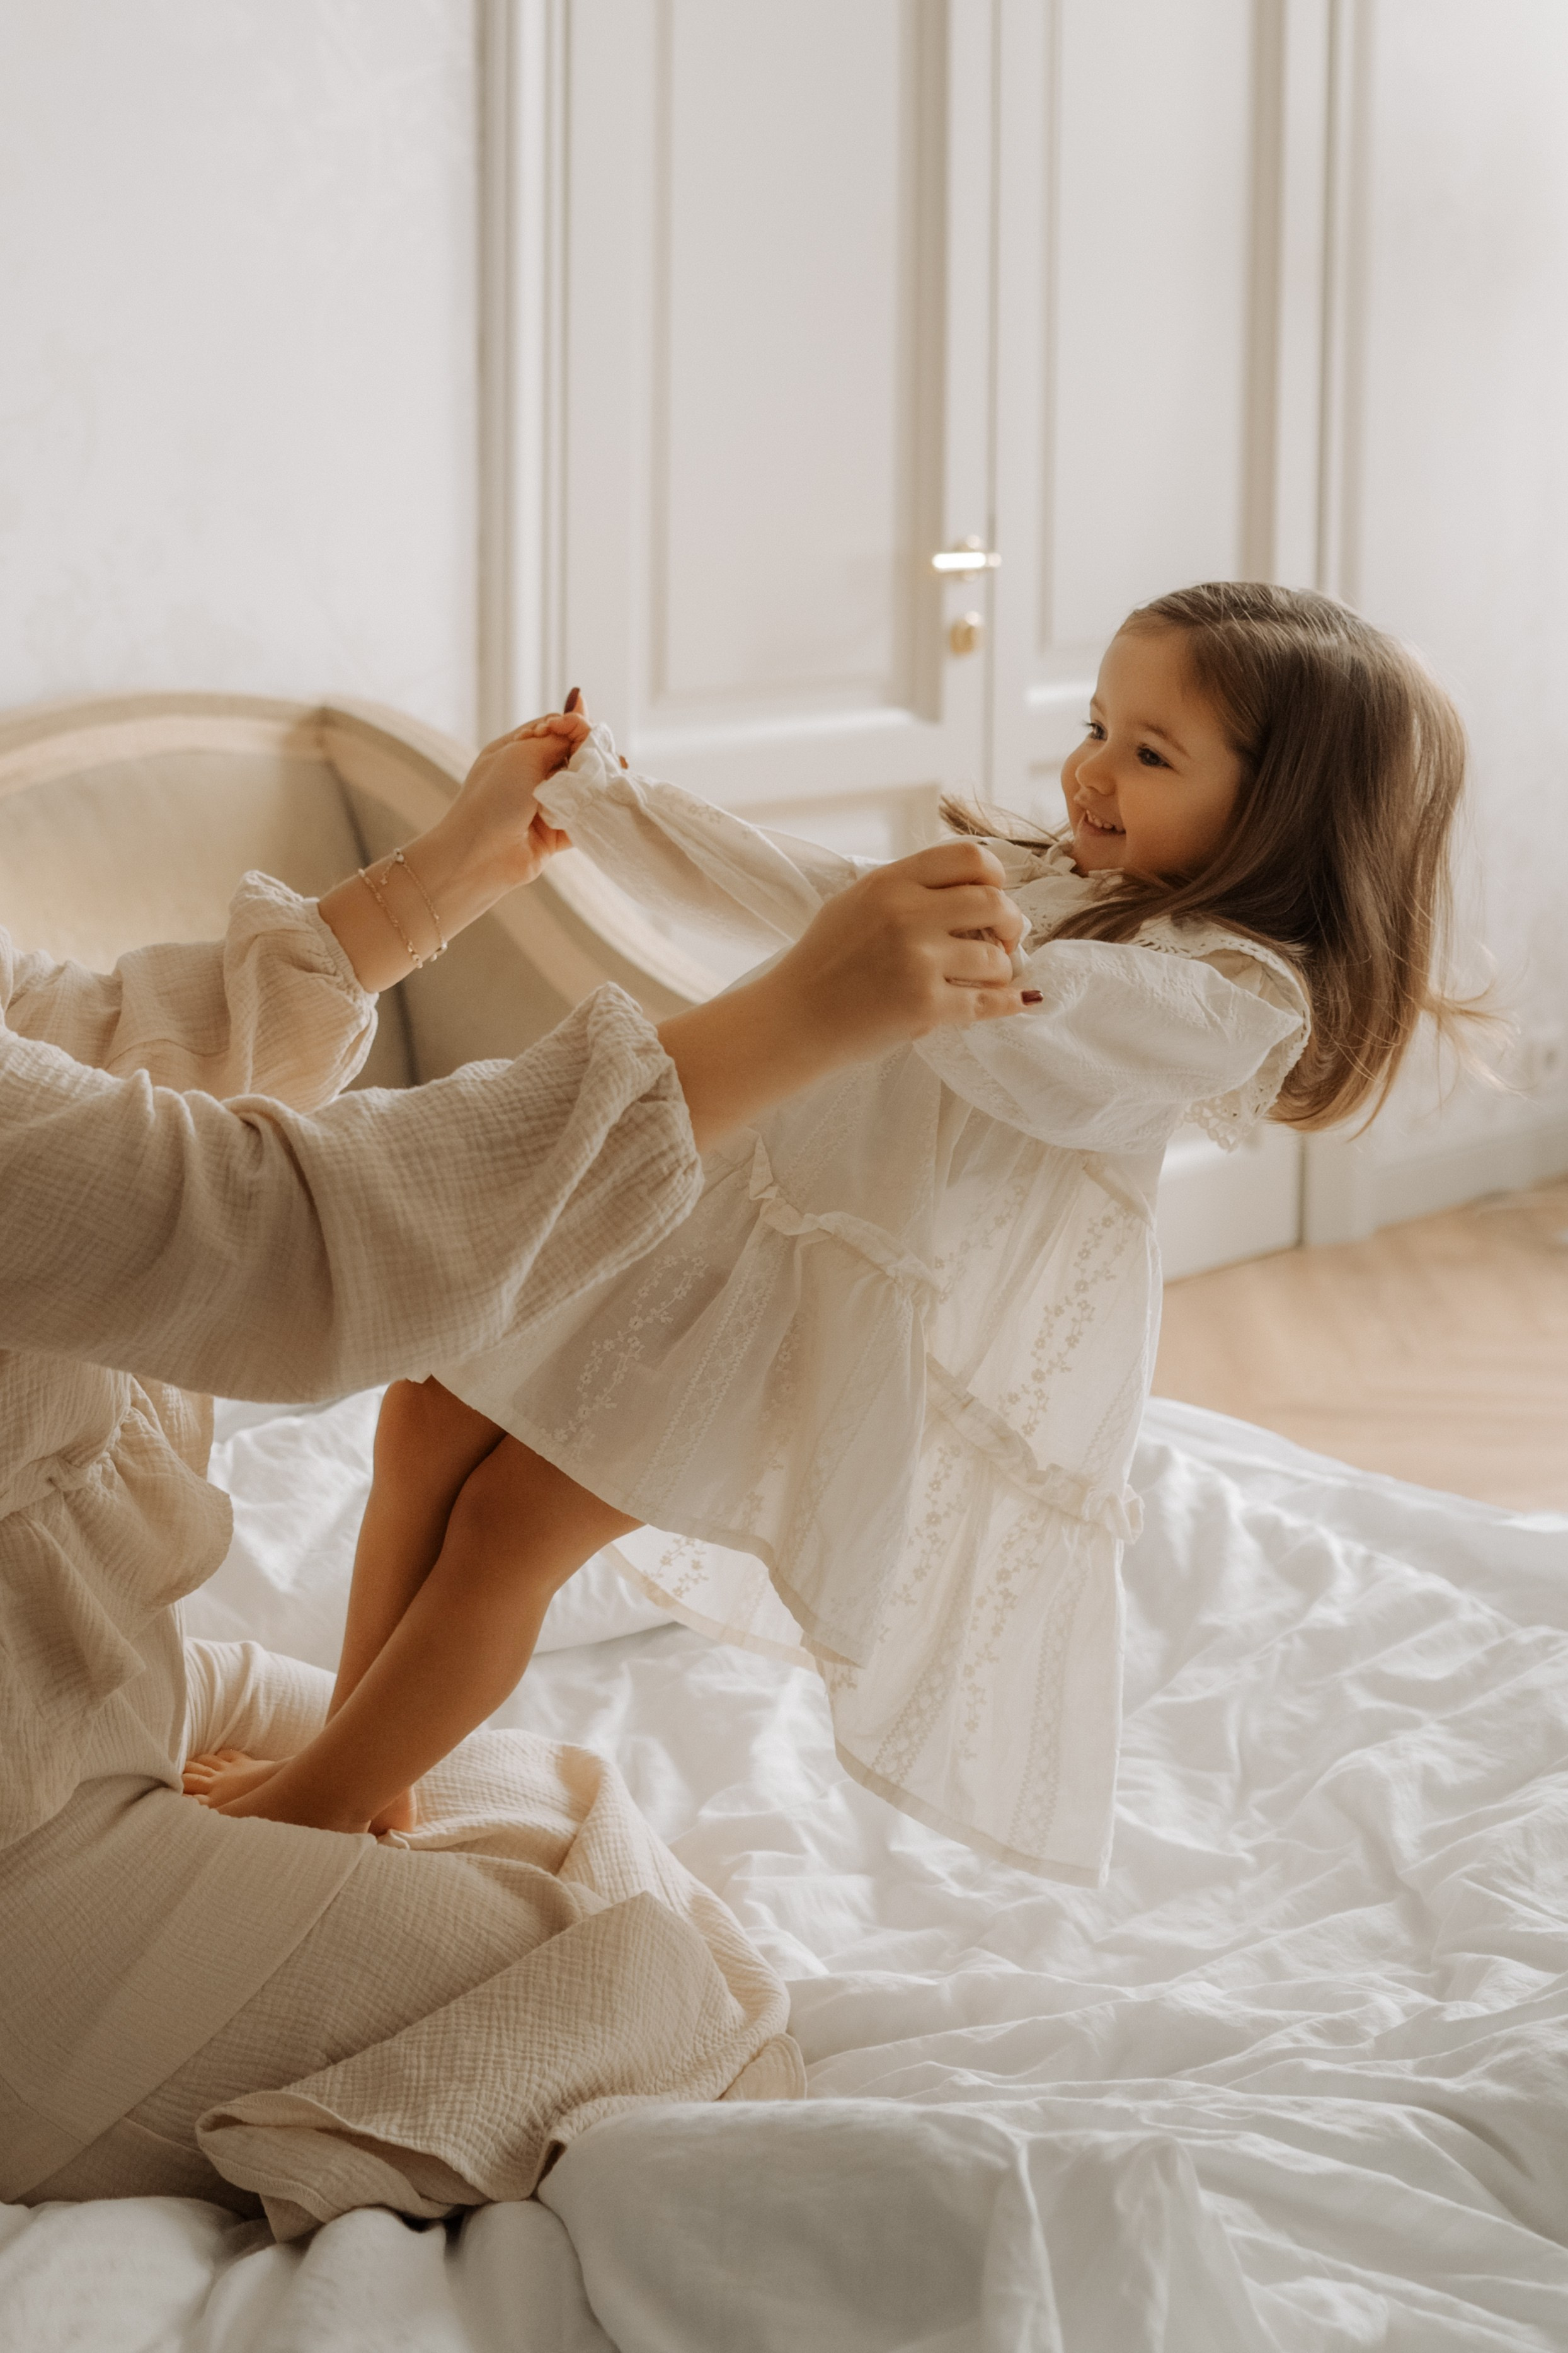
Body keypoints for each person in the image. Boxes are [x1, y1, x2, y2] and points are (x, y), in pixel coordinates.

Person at [185, 582, 1483, 1889]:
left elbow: (1020, 1004)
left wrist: (913, 936)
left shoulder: (1221, 996)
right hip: (704, 1219)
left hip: (807, 1306)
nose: (1091, 770)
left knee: (513, 1527)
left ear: (1281, 815)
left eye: (1150, 754)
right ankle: (367, 1786)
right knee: (425, 1413)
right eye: (1098, 723)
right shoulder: (1050, 878)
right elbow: (821, 899)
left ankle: (312, 1814)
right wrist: (613, 805)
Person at [0, 701, 1031, 2233]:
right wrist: (799, 1013)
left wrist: (442, 876)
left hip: (62, 1691)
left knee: (553, 1807)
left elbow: (92, 1052)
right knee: (642, 1983)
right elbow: (273, 1237)